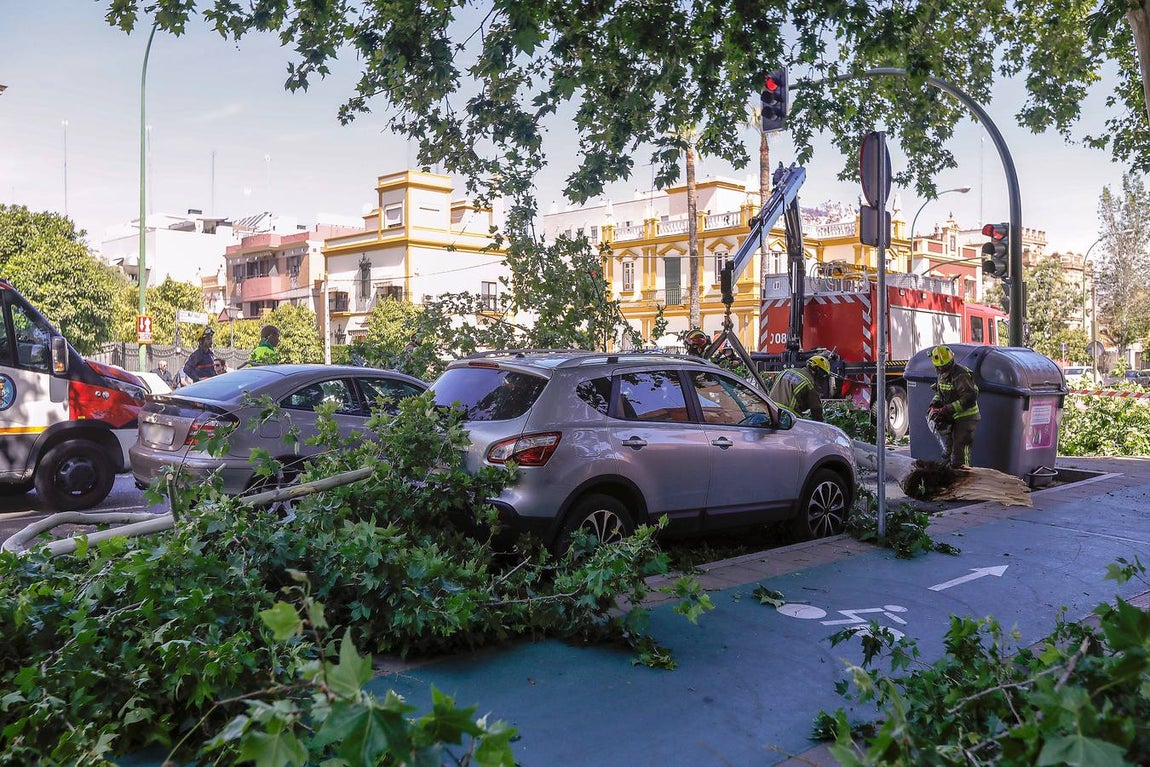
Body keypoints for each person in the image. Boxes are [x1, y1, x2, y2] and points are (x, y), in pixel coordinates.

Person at [928, 344, 980, 467]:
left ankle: (965, 477)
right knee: (948, 452)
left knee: (960, 453)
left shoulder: (961, 375)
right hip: (952, 415)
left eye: (945, 366)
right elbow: (940, 393)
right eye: (940, 367)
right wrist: (934, 405)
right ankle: (949, 476)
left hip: (966, 417)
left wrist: (947, 409)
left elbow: (969, 398)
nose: (942, 369)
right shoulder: (942, 375)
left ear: (951, 361)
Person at [768, 353, 831, 422]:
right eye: (823, 375)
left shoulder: (786, 372)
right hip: (788, 418)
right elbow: (816, 410)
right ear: (817, 370)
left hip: (770, 411)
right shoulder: (809, 383)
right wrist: (822, 426)